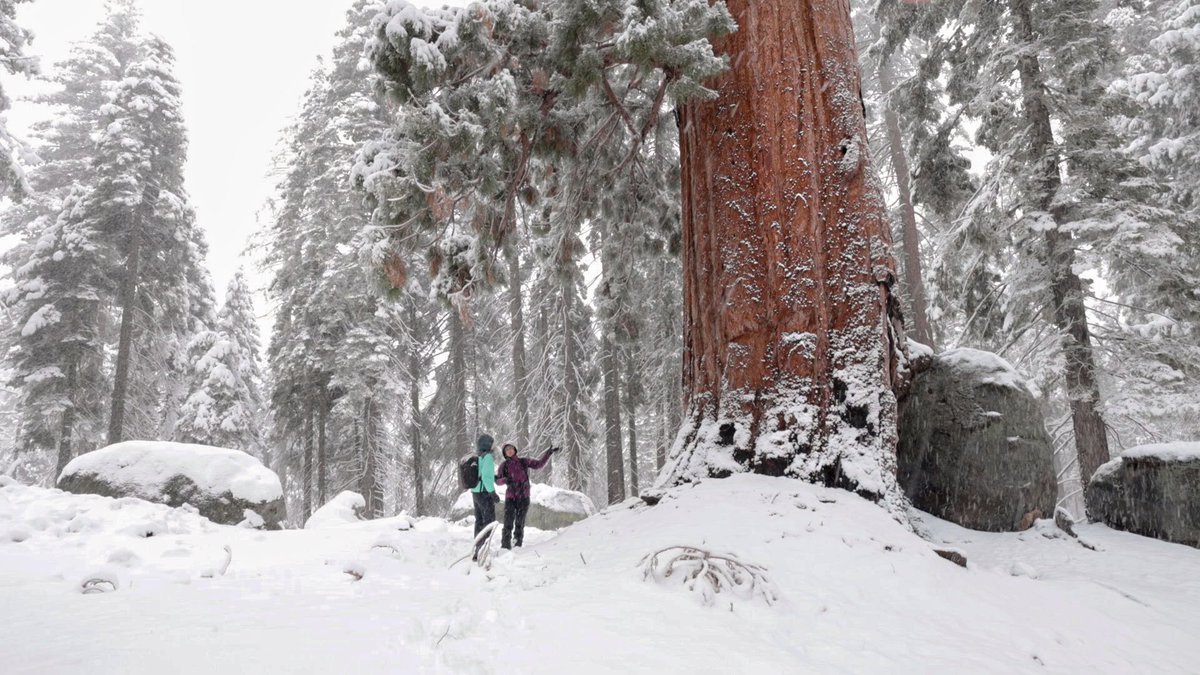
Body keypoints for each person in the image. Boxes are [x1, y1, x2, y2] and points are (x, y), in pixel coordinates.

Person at [495, 443, 559, 549]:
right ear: (505, 453)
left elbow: (539, 464)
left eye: (511, 448)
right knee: (508, 523)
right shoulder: (504, 465)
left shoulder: (523, 461)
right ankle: (505, 546)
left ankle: (517, 544)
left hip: (524, 497)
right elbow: (497, 481)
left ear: (515, 450)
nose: (509, 450)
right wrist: (505, 480)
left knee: (520, 523)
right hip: (510, 498)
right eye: (507, 450)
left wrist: (548, 453)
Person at [470, 434, 500, 559]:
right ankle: (483, 551)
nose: (494, 446)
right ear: (487, 444)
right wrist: (493, 493)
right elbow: (486, 478)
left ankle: (477, 548)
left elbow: (481, 475)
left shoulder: (478, 456)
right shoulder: (487, 457)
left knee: (479, 521)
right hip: (484, 493)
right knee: (488, 522)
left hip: (475, 493)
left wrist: (494, 477)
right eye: (492, 443)